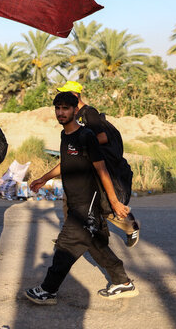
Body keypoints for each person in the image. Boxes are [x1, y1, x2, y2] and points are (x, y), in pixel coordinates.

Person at [25, 92, 138, 305]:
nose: (60, 112)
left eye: (65, 108)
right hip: (75, 199)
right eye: (57, 108)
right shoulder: (65, 135)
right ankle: (123, 282)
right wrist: (43, 178)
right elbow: (65, 164)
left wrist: (114, 202)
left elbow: (102, 169)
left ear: (75, 110)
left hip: (88, 201)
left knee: (66, 244)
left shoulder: (86, 136)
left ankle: (48, 290)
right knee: (95, 244)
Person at [56, 81, 140, 247]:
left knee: (103, 205)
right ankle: (71, 236)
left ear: (74, 96)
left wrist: (82, 145)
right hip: (81, 167)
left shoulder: (89, 113)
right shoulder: (74, 116)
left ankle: (130, 226)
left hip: (94, 166)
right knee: (70, 200)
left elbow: (102, 137)